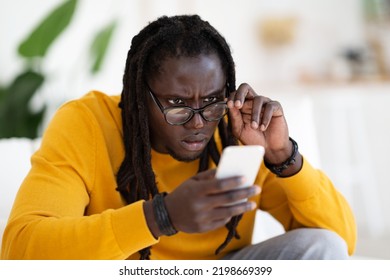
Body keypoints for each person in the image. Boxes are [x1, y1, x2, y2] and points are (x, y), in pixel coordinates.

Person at [1, 15, 356, 260]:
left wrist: (282, 155)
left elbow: (340, 244)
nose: (199, 123)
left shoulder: (239, 132)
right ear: (140, 97)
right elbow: (20, 250)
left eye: (212, 101)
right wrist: (161, 216)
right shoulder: (88, 121)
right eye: (177, 104)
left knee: (320, 245)